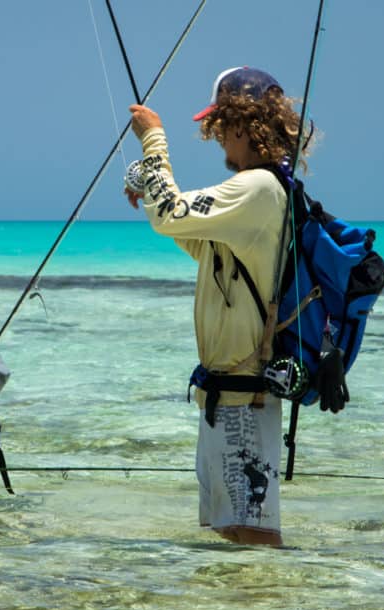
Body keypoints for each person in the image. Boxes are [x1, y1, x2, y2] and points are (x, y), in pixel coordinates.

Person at [125, 67, 314, 546]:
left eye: (220, 126)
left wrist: (154, 142)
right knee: (230, 537)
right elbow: (197, 242)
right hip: (223, 396)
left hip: (244, 399)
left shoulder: (258, 188)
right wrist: (151, 189)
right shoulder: (256, 191)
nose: (216, 139)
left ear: (242, 124)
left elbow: (172, 216)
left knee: (252, 537)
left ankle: (276, 596)